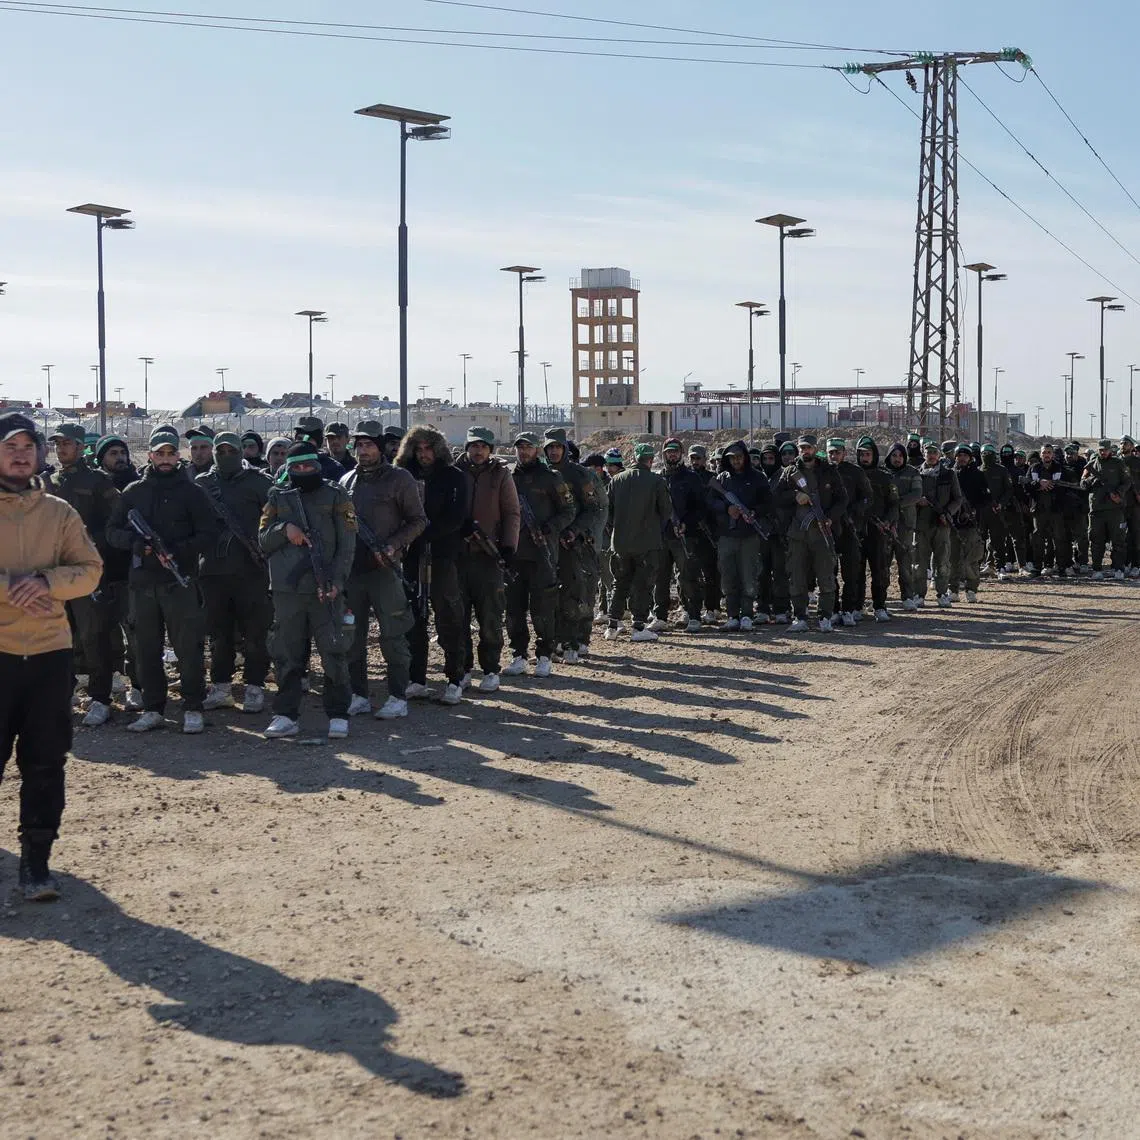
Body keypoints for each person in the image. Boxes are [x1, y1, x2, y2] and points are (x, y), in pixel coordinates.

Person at [0, 412, 104, 900]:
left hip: (48, 653)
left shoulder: (60, 512)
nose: (20, 454)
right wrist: (10, 587)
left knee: (45, 763)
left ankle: (36, 865)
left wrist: (46, 582)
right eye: (9, 445)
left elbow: (89, 570)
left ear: (40, 453)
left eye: (27, 446)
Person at [106, 429, 216, 733]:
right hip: (142, 584)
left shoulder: (193, 493)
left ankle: (193, 706)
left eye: (171, 453)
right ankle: (154, 708)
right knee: (145, 648)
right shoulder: (133, 492)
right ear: (151, 455)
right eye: (159, 453)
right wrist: (139, 545)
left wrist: (177, 550)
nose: (165, 459)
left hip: (179, 583)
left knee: (188, 648)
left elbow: (209, 534)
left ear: (178, 456)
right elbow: (113, 532)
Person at [258, 442, 356, 739]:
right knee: (287, 654)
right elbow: (262, 538)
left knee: (333, 652)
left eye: (308, 466)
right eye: (296, 467)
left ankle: (338, 713)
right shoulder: (277, 496)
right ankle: (286, 714)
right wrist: (284, 530)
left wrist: (337, 582)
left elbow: (347, 544)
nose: (303, 471)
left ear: (317, 465)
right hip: (288, 590)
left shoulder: (336, 495)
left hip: (325, 589)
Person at [339, 422, 427, 719]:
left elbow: (418, 521)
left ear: (380, 447)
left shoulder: (399, 479)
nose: (363, 451)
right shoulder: (346, 480)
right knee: (351, 636)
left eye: (369, 445)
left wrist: (392, 547)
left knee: (393, 636)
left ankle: (397, 696)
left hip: (384, 570)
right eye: (359, 445)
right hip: (352, 572)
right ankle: (358, 694)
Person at [44, 423, 128, 726]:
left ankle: (100, 697)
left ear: (81, 447)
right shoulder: (47, 481)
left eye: (67, 443)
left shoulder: (98, 482)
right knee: (58, 636)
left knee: (94, 636)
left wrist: (88, 545)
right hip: (53, 573)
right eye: (58, 444)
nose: (61, 448)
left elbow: (116, 524)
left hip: (85, 572)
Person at [195, 432, 272, 715]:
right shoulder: (202, 484)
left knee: (255, 633)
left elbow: (275, 519)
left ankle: (254, 686)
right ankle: (221, 686)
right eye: (220, 450)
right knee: (219, 633)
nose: (225, 455)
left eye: (232, 450)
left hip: (251, 571)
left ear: (241, 453)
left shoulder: (259, 483)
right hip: (212, 572)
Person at [395, 425, 470, 704]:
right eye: (419, 449)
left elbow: (457, 516)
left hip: (442, 554)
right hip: (411, 555)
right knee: (414, 617)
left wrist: (426, 532)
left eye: (429, 448)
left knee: (449, 616)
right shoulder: (403, 476)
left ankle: (454, 678)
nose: (424, 454)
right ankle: (417, 678)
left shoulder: (453, 477)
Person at [454, 427, 520, 693]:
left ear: (490, 449)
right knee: (458, 618)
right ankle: (464, 668)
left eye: (483, 446)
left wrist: (507, 547)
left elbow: (512, 513)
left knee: (490, 617)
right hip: (458, 557)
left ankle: (491, 669)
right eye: (473, 446)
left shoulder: (501, 474)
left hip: (489, 557)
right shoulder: (454, 473)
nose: (478, 451)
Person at [505, 431, 575, 674]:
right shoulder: (508, 477)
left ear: (537, 450)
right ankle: (519, 655)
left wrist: (549, 528)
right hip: (514, 554)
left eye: (529, 447)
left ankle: (544, 655)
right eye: (520, 447)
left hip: (542, 553)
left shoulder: (551, 478)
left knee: (543, 608)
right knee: (514, 608)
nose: (524, 452)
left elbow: (568, 511)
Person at [775, 434, 848, 632]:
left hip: (822, 532)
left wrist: (830, 517)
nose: (805, 451)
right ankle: (800, 616)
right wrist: (794, 495)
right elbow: (776, 496)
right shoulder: (790, 471)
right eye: (802, 448)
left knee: (826, 576)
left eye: (808, 448)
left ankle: (825, 617)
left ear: (815, 449)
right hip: (797, 534)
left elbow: (842, 499)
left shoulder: (828, 471)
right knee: (797, 576)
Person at [605, 442, 672, 643]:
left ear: (633, 458)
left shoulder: (616, 480)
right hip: (647, 544)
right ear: (651, 460)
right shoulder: (656, 481)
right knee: (643, 585)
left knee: (620, 583)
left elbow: (608, 513)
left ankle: (613, 625)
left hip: (620, 544)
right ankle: (639, 626)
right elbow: (666, 512)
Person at [709, 440, 772, 631]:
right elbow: (710, 502)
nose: (736, 461)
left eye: (739, 457)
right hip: (727, 536)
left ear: (745, 457)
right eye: (732, 458)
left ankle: (746, 615)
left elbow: (768, 503)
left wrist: (753, 512)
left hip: (749, 536)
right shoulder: (721, 479)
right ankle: (732, 615)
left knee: (749, 577)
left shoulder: (758, 478)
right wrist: (727, 508)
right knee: (728, 578)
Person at [654, 438, 707, 633]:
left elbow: (701, 508)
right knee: (660, 577)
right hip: (662, 536)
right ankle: (660, 615)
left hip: (685, 535)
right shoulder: (658, 478)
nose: (672, 455)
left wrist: (687, 523)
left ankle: (693, 615)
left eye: (675, 451)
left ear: (681, 454)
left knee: (687, 576)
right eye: (668, 451)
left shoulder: (691, 478)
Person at [826, 438, 872, 626]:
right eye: (831, 452)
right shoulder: (823, 472)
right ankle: (834, 609)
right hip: (829, 529)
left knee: (851, 572)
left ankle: (849, 609)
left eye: (837, 452)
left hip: (850, 529)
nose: (834, 456)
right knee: (829, 571)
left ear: (844, 453)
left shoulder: (855, 472)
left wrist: (854, 513)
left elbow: (868, 498)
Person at [855, 436, 899, 622]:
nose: (865, 458)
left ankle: (879, 606)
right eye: (862, 454)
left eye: (868, 454)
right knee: (855, 572)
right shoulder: (851, 474)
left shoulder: (885, 476)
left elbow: (894, 504)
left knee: (879, 570)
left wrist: (888, 522)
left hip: (878, 530)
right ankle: (856, 606)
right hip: (856, 530)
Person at [915, 440, 962, 607]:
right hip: (921, 525)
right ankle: (919, 595)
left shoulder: (949, 474)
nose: (932, 455)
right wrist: (917, 501)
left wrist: (948, 513)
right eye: (928, 452)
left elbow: (958, 499)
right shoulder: (916, 474)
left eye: (934, 452)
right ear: (924, 453)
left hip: (941, 524)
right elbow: (910, 496)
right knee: (920, 562)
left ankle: (942, 594)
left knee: (942, 562)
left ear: (939, 454)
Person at [1081, 438, 1133, 579]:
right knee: (1096, 541)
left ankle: (1118, 569)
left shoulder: (1118, 463)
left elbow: (1128, 481)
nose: (1103, 452)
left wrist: (1119, 493)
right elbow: (1082, 484)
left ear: (1110, 450)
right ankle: (1097, 570)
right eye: (1101, 450)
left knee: (1118, 541)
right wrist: (1093, 480)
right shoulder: (1091, 464)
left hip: (1114, 509)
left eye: (1105, 450)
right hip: (1097, 510)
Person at [883, 442, 922, 610]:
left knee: (905, 562)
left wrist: (897, 503)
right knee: (882, 563)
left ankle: (907, 596)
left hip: (905, 525)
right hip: (885, 525)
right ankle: (881, 598)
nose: (897, 459)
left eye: (900, 456)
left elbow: (916, 494)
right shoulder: (883, 473)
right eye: (894, 455)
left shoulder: (912, 473)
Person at [949, 444, 991, 602]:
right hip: (952, 523)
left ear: (970, 458)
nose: (962, 458)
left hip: (972, 524)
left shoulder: (978, 475)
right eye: (959, 455)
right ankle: (953, 589)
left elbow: (986, 498)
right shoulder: (950, 474)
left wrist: (973, 511)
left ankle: (971, 589)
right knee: (953, 558)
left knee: (971, 559)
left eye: (965, 455)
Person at [686, 444, 721, 622]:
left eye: (698, 458)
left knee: (711, 573)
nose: (695, 461)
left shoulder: (711, 479)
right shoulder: (685, 477)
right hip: (690, 531)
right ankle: (689, 610)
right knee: (689, 574)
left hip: (709, 532)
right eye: (692, 458)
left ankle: (711, 607)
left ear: (705, 460)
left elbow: (717, 503)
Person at [1026, 443, 1070, 577]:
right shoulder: (1034, 468)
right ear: (1040, 454)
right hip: (1039, 509)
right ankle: (1037, 568)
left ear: (1053, 454)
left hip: (1055, 509)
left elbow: (1064, 487)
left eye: (1049, 452)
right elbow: (1026, 486)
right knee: (1037, 539)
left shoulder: (1059, 468)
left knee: (1059, 539)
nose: (1046, 455)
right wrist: (1039, 484)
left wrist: (1050, 485)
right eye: (1044, 452)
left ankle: (1061, 568)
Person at [978, 444, 1014, 578]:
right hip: (981, 512)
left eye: (989, 453)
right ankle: (977, 567)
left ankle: (1000, 567)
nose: (986, 456)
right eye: (984, 453)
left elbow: (1009, 489)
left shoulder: (1002, 470)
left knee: (998, 541)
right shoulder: (977, 471)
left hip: (996, 511)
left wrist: (1001, 504)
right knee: (979, 541)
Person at [293, 416, 345, 482]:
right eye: (299, 439)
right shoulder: (286, 468)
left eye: (308, 439)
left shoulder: (334, 469)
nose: (303, 443)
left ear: (318, 443)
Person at [1118, 436, 1140, 577]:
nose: (1122, 445)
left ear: (1132, 446)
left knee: (1136, 535)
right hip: (1120, 505)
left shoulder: (1137, 462)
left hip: (1135, 505)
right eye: (1121, 443)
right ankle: (1123, 564)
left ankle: (1136, 565)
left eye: (1125, 443)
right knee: (1121, 536)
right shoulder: (1115, 462)